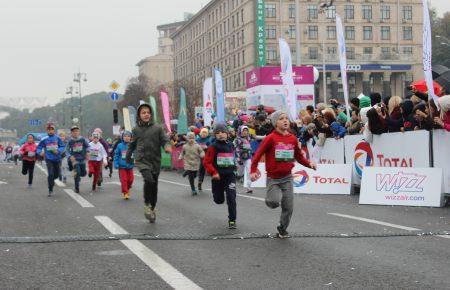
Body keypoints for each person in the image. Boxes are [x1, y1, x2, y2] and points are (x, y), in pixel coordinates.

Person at [250, 110, 316, 239]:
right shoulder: (270, 138)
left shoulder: (292, 138)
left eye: (286, 118)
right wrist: (253, 170)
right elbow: (257, 155)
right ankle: (272, 198)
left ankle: (282, 228)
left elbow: (299, 156)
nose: (285, 120)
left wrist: (309, 164)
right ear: (275, 123)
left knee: (289, 207)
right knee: (273, 202)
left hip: (287, 178)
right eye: (281, 118)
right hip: (273, 178)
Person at [126, 103, 172, 223]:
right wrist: (128, 156)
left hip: (155, 160)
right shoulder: (136, 130)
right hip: (142, 160)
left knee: (154, 186)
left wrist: (167, 147)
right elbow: (132, 145)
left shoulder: (157, 128)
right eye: (143, 113)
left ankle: (152, 207)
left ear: (150, 114)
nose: (146, 114)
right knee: (149, 180)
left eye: (148, 112)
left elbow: (165, 140)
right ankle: (147, 204)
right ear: (139, 115)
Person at [203, 123, 238, 229]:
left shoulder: (231, 145)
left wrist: (235, 167)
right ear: (214, 135)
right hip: (217, 177)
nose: (221, 135)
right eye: (217, 133)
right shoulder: (213, 147)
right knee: (219, 200)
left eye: (223, 132)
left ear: (227, 133)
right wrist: (214, 172)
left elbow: (233, 157)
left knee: (231, 197)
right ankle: (218, 196)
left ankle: (232, 220)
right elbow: (206, 162)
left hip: (230, 176)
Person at [36, 123, 66, 196]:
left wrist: (58, 150)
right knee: (50, 174)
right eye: (49, 129)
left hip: (57, 159)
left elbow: (62, 146)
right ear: (47, 130)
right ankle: (50, 189)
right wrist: (40, 152)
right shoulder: (44, 139)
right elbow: (39, 148)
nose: (50, 131)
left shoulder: (57, 138)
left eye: (52, 129)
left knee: (57, 174)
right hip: (49, 159)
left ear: (54, 130)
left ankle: (52, 180)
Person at [66, 125, 89, 193]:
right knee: (77, 172)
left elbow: (88, 146)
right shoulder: (70, 141)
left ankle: (78, 176)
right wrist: (70, 156)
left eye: (76, 131)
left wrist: (87, 152)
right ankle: (77, 188)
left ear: (79, 132)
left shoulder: (82, 139)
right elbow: (67, 150)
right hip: (75, 160)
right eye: (73, 131)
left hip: (82, 159)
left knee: (83, 173)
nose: (75, 132)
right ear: (71, 133)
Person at [114, 131, 135, 200]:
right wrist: (116, 163)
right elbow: (116, 155)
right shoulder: (119, 145)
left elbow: (137, 154)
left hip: (130, 166)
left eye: (128, 136)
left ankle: (127, 189)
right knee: (124, 180)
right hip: (122, 167)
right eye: (125, 136)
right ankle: (125, 193)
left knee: (131, 180)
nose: (126, 137)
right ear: (122, 137)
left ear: (131, 138)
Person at [234, 125, 253, 193]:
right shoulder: (237, 139)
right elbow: (236, 149)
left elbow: (256, 137)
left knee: (249, 171)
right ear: (240, 131)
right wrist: (239, 158)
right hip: (240, 158)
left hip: (248, 157)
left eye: (246, 130)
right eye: (244, 131)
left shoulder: (249, 138)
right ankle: (234, 181)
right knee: (239, 173)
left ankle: (249, 187)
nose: (245, 132)